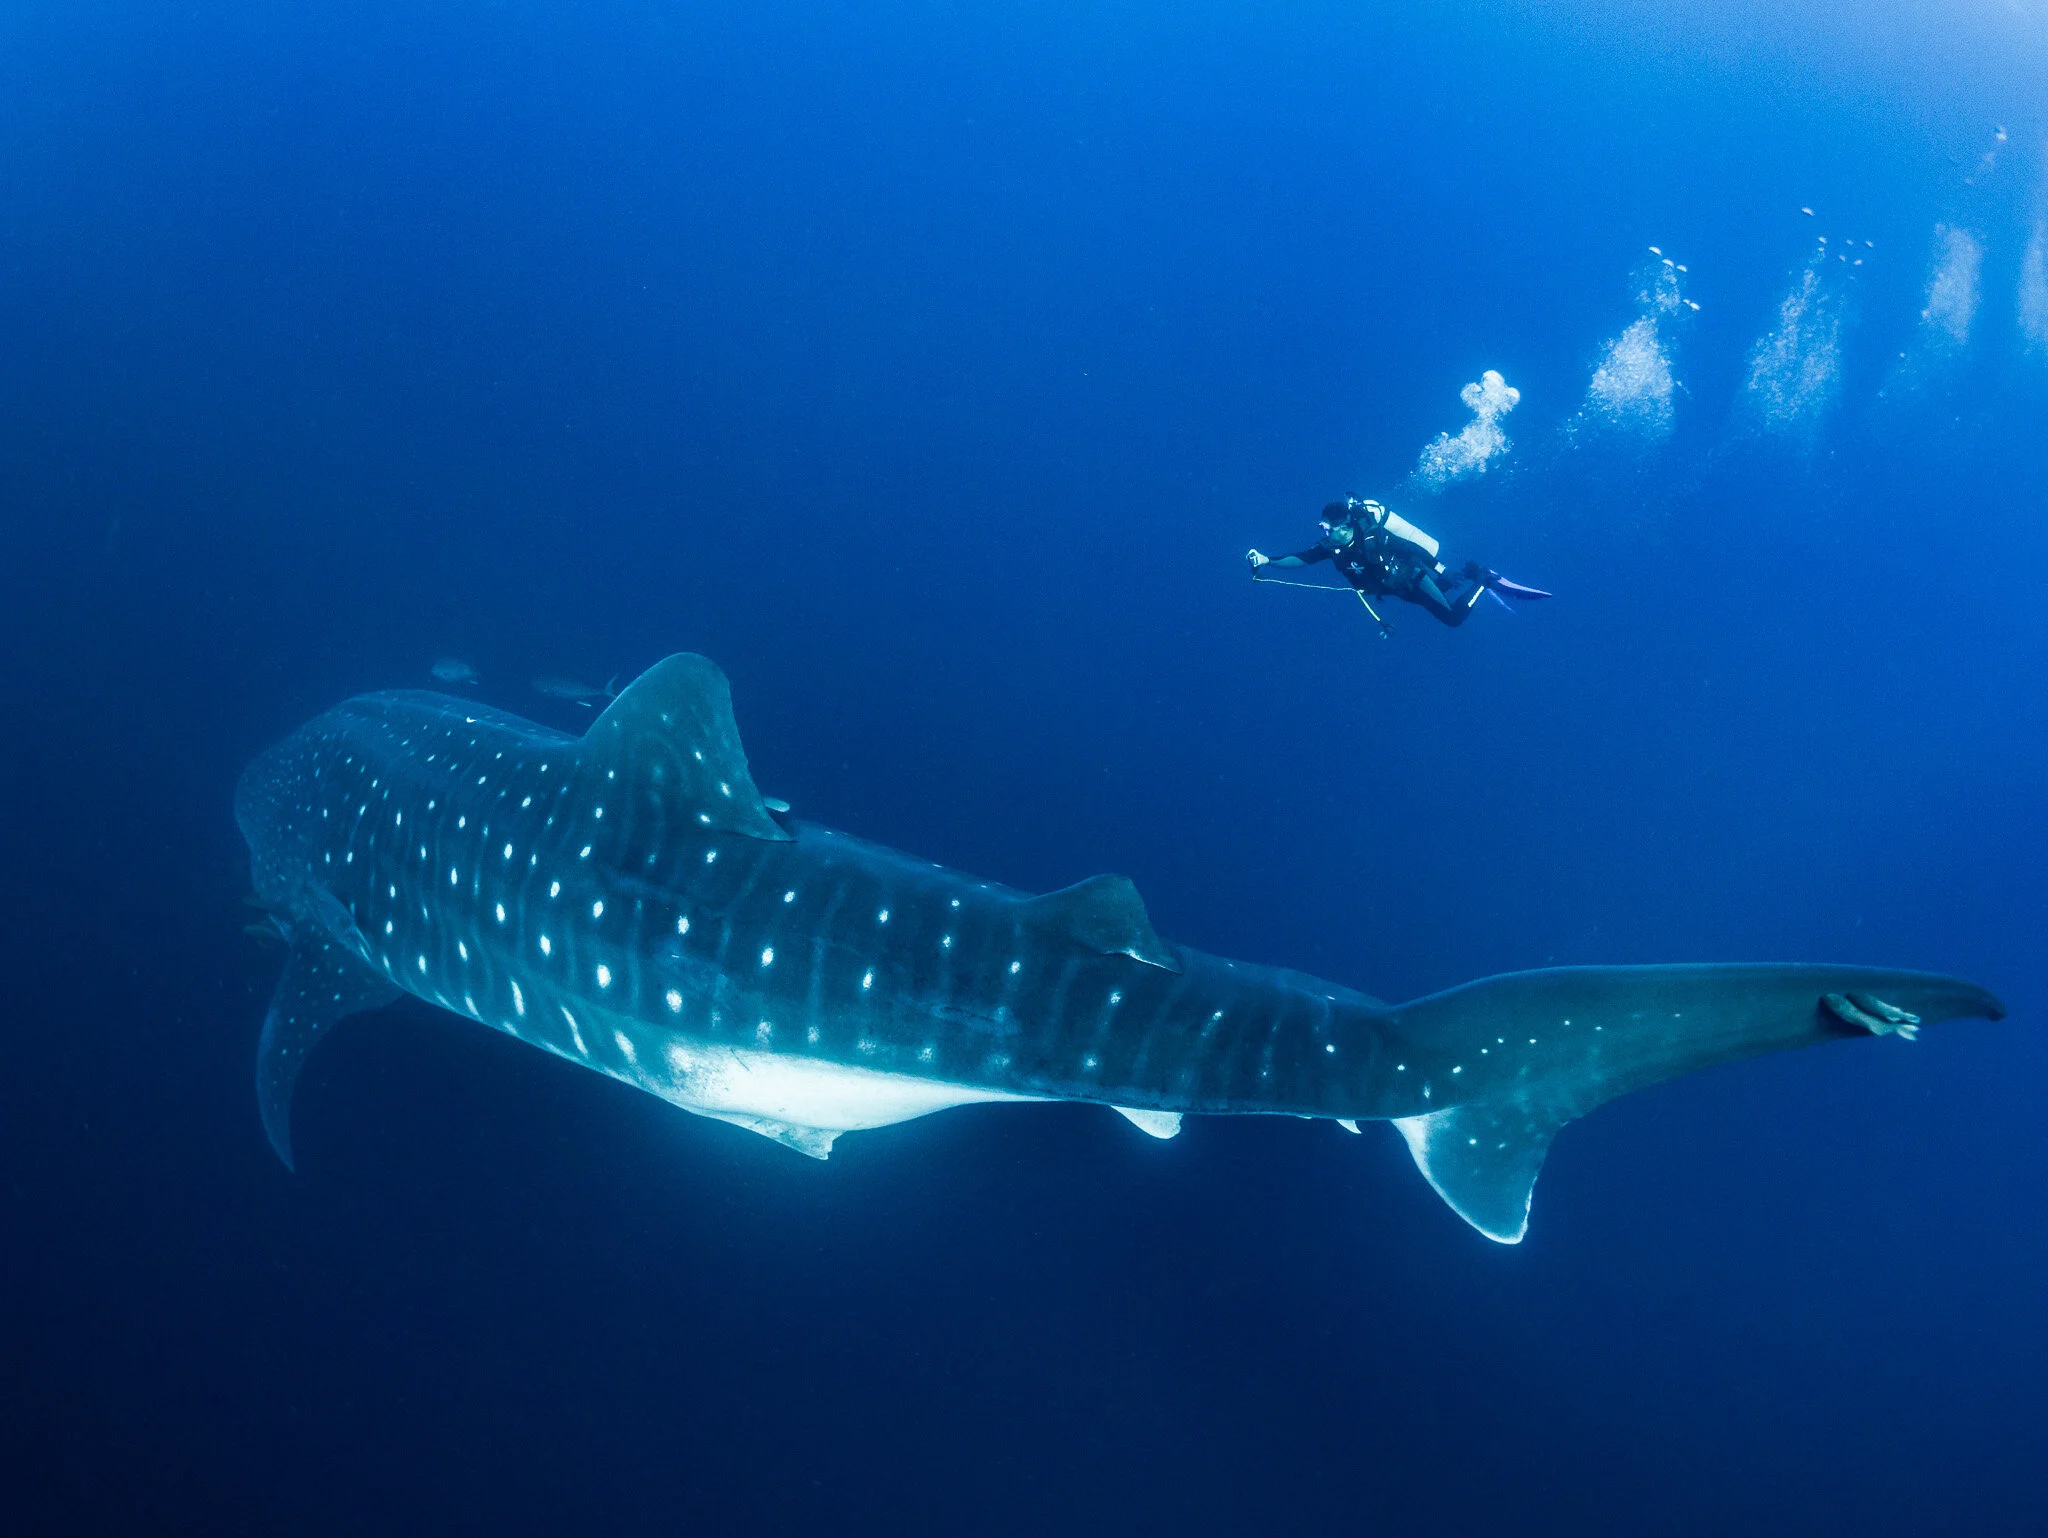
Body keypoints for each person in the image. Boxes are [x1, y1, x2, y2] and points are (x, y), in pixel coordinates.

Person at [1247, 498, 1547, 632]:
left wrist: (1440, 569)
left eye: (1330, 528)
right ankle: (1469, 572)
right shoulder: (1330, 547)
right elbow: (1301, 558)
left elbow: (1410, 547)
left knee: (1452, 618)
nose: (1325, 533)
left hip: (1413, 579)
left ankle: (1482, 578)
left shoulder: (1374, 537)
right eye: (1323, 527)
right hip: (1398, 589)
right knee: (1434, 597)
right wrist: (1267, 561)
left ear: (1346, 524)